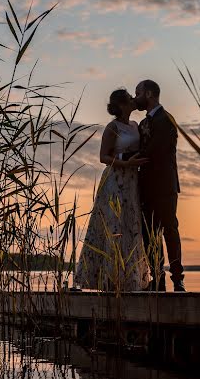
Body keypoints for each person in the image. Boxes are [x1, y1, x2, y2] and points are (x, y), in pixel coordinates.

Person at [74, 89, 151, 291]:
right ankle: (109, 279)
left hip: (132, 181)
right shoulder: (112, 127)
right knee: (114, 225)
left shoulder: (135, 125)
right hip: (116, 179)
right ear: (122, 104)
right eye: (130, 98)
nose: (134, 100)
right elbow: (103, 157)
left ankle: (130, 279)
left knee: (130, 224)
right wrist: (126, 162)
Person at [132, 79, 186, 292]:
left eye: (138, 93)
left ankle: (178, 279)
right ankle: (158, 280)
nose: (136, 98)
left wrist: (124, 159)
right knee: (150, 234)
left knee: (169, 230)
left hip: (165, 186)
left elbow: (155, 151)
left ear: (149, 93)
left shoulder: (166, 120)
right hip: (146, 187)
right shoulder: (144, 123)